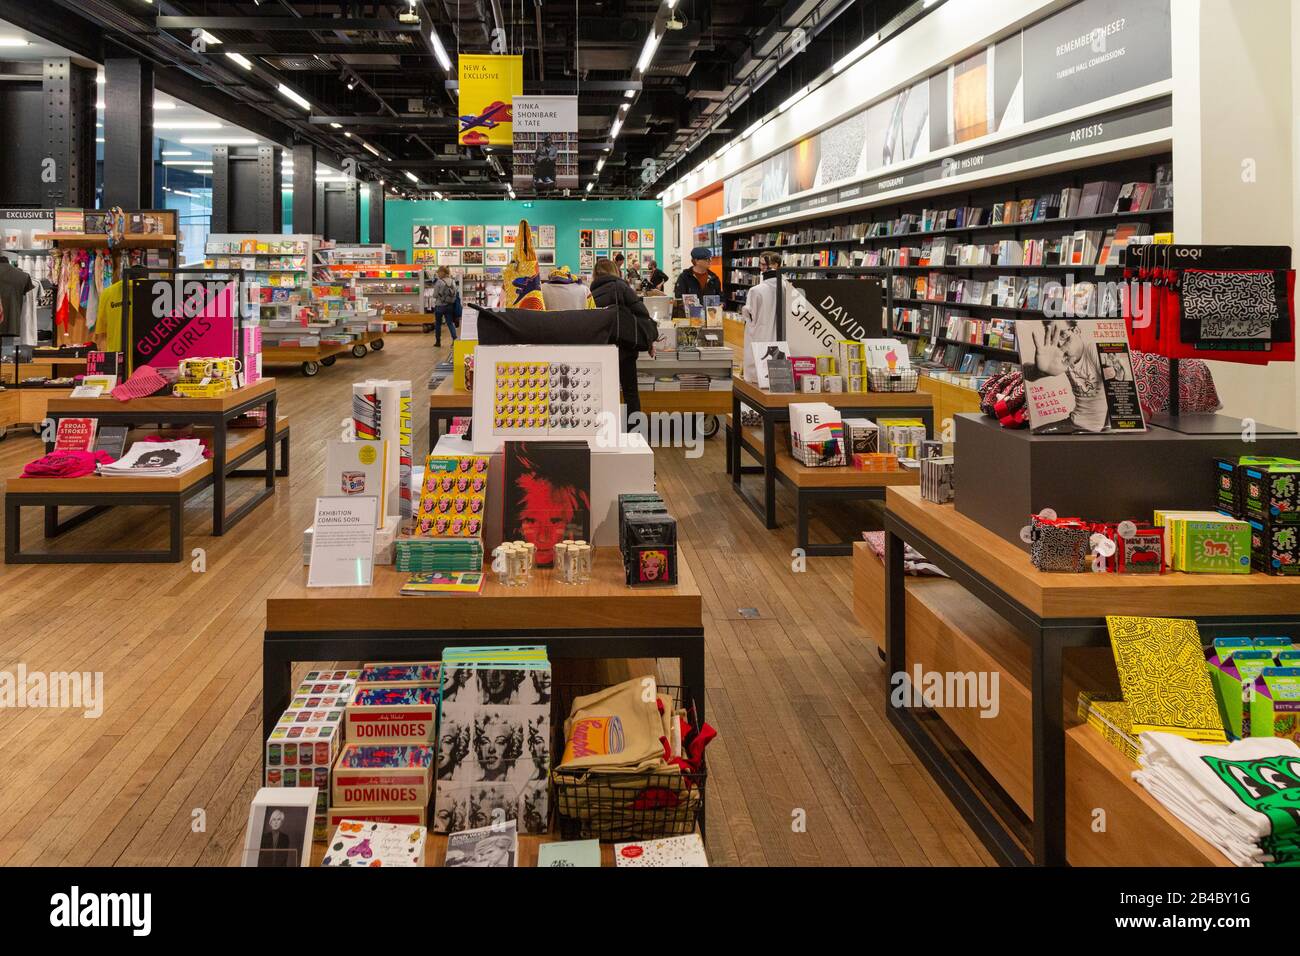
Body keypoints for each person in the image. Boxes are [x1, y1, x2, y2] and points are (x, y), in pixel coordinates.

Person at [590, 257, 657, 427]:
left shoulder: (591, 292)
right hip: (626, 346)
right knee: (630, 392)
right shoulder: (622, 287)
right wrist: (649, 339)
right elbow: (641, 314)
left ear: (595, 274)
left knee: (603, 392)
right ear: (615, 270)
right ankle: (634, 432)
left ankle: (605, 429)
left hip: (602, 349)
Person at [739, 251, 800, 382]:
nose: (761, 268)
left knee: (759, 364)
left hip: (760, 333)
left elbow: (750, 316)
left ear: (775, 265)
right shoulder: (788, 287)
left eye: (763, 264)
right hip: (785, 334)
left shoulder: (756, 291)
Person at [431, 266, 459, 346]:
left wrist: (440, 296)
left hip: (440, 306)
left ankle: (438, 341)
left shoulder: (439, 282)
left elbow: (435, 295)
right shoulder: (453, 281)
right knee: (450, 323)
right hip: (450, 305)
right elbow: (455, 293)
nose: (438, 274)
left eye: (438, 272)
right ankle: (454, 339)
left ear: (442, 272)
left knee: (438, 324)